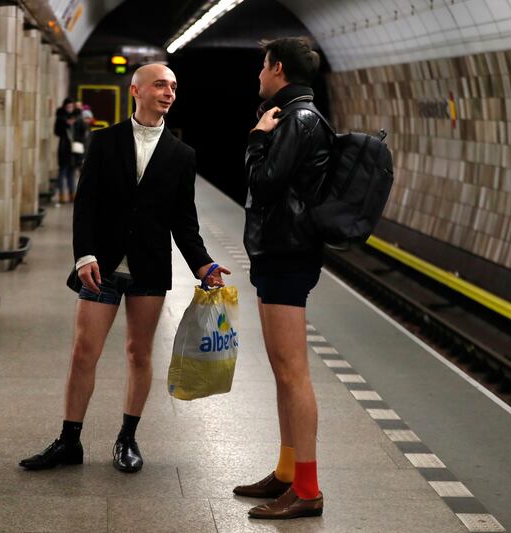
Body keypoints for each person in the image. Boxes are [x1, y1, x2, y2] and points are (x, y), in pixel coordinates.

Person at [19, 63, 230, 474]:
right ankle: (69, 441)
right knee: (84, 352)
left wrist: (204, 265)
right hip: (102, 265)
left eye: (173, 85)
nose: (168, 92)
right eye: (159, 85)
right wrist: (84, 254)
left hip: (149, 267)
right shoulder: (105, 141)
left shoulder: (181, 154)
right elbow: (86, 204)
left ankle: (127, 438)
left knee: (138, 353)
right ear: (136, 90)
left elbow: (183, 222)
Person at [233, 37, 333, 518]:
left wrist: (256, 137)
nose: (258, 74)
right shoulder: (293, 115)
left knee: (294, 373)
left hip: (289, 253)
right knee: (281, 370)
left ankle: (308, 490)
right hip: (278, 252)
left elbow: (265, 182)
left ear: (276, 68)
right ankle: (287, 472)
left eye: (262, 66)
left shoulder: (298, 118)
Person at [54, 98, 77, 203]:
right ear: (64, 107)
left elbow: (81, 132)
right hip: (64, 148)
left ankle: (72, 194)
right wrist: (66, 124)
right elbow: (57, 132)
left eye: (71, 107)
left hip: (73, 149)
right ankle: (61, 195)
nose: (70, 109)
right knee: (62, 171)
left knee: (71, 172)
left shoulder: (76, 118)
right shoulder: (60, 119)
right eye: (68, 107)